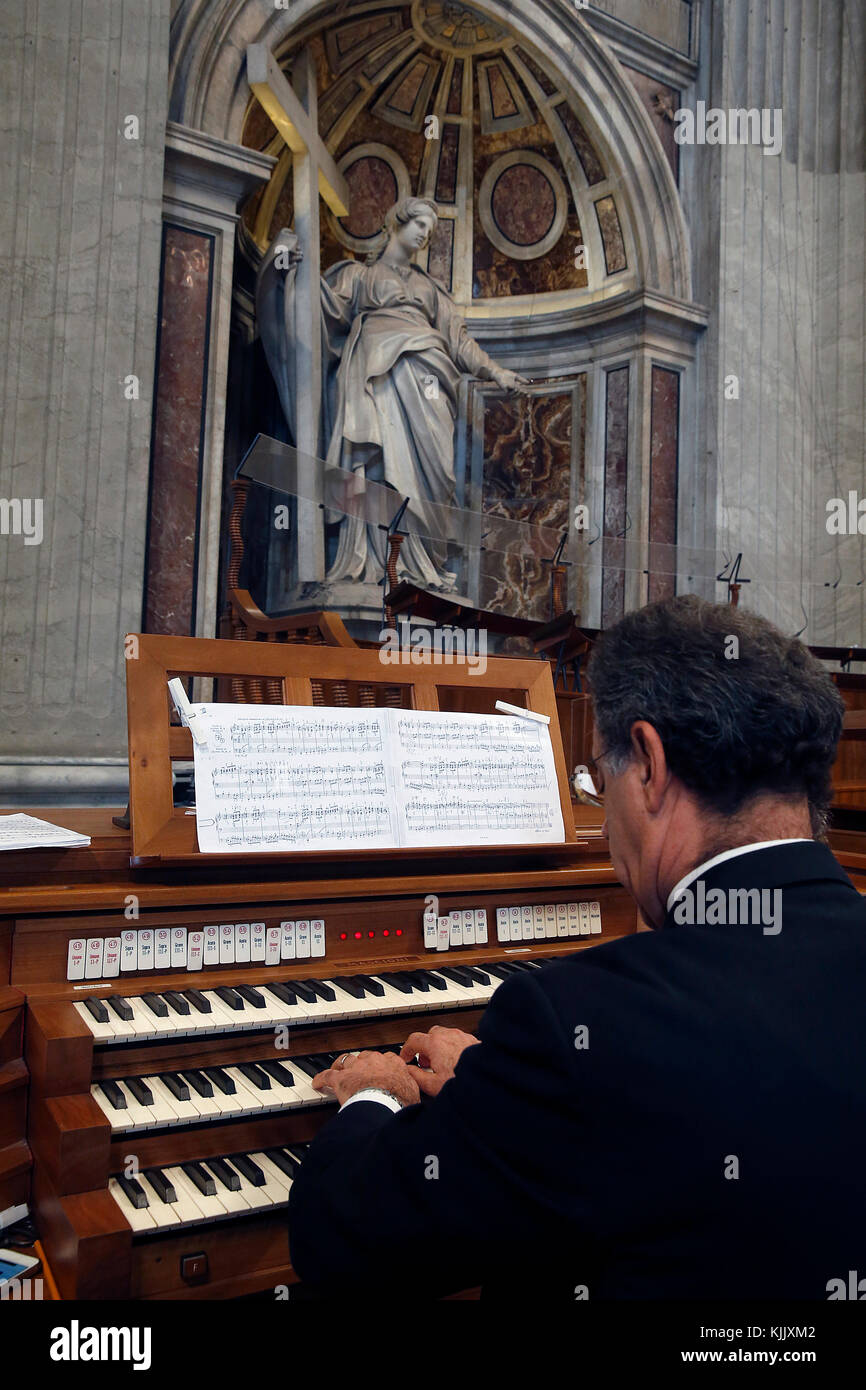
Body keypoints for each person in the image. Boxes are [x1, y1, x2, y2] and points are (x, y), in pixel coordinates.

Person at [287, 595, 866, 1299]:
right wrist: (501, 1091)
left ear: (648, 764)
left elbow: (346, 1242)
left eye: (597, 778)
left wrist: (375, 1095)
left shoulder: (574, 1022)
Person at [257, 196, 529, 590]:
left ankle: (421, 566)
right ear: (396, 222)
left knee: (434, 472)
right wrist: (291, 267)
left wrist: (497, 372)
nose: (424, 234)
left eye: (430, 231)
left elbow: (460, 343)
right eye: (420, 224)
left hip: (429, 378)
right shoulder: (359, 276)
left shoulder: (430, 289)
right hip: (373, 375)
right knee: (377, 465)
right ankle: (378, 563)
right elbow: (319, 311)